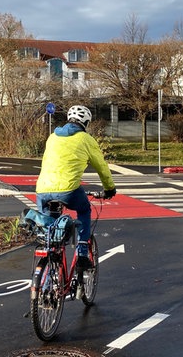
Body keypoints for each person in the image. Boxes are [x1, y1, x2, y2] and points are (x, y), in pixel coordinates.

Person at [35, 105, 117, 270]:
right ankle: (82, 255)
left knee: (49, 226)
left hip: (43, 190)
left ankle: (50, 256)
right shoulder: (86, 139)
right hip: (69, 189)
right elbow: (102, 167)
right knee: (84, 210)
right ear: (86, 122)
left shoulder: (52, 137)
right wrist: (109, 188)